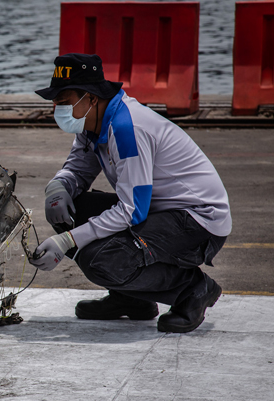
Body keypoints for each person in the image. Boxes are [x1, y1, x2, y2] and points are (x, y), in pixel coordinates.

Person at [28, 53, 232, 333]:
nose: (56, 109)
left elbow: (132, 210)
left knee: (100, 260)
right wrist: (58, 186)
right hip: (157, 209)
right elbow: (78, 169)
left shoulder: (127, 128)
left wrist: (68, 241)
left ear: (90, 98)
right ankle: (131, 299)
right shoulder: (92, 122)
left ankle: (194, 289)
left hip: (197, 221)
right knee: (69, 208)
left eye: (63, 103)